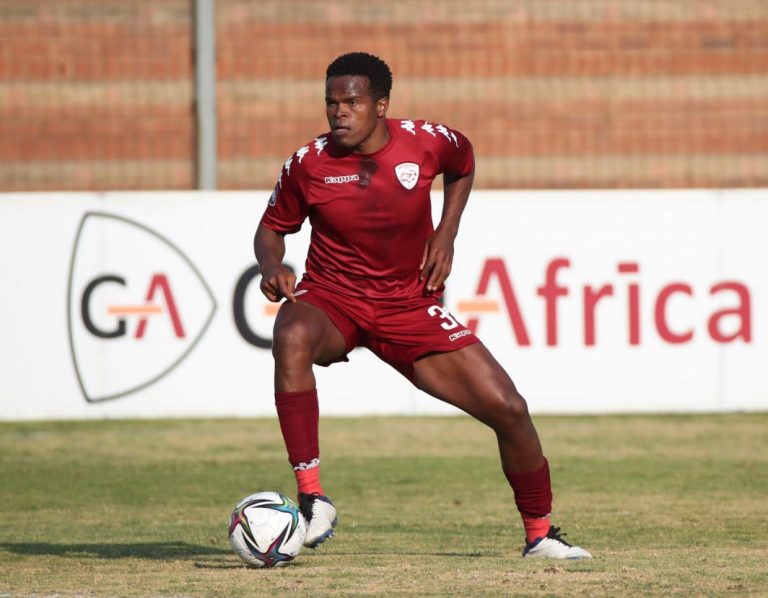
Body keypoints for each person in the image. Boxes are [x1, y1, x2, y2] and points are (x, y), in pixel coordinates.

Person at [253, 51, 591, 559]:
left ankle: (540, 534)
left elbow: (465, 162)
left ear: (381, 105)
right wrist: (271, 265)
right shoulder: (307, 163)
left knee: (510, 409)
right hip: (334, 301)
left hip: (408, 306)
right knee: (291, 332)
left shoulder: (430, 142)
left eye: (351, 102)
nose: (338, 112)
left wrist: (446, 231)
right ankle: (312, 497)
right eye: (331, 102)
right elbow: (271, 228)